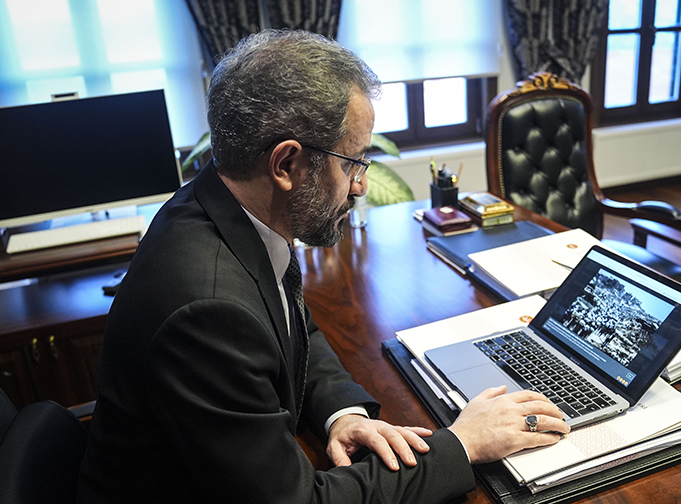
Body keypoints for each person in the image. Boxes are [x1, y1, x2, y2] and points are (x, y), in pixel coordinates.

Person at [77, 29, 569, 504]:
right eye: (352, 160)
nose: (360, 185)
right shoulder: (208, 309)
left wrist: (341, 413)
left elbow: (293, 325)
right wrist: (464, 445)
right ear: (286, 165)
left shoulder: (225, 208)